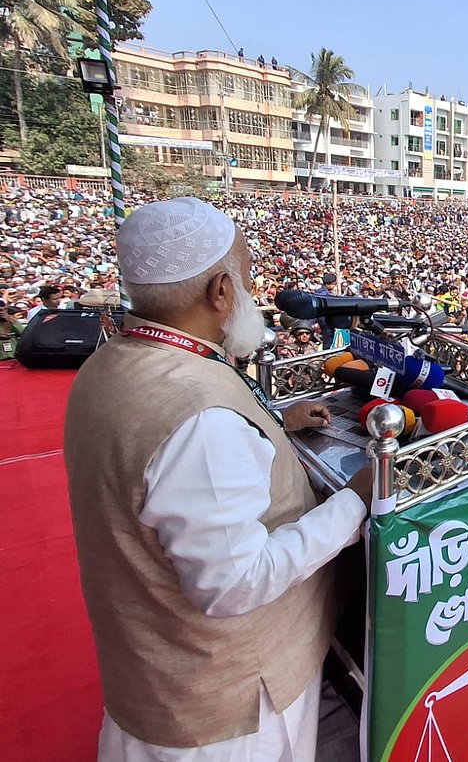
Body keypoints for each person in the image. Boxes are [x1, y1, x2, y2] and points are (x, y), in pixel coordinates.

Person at [62, 198, 372, 760]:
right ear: (220, 293)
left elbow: (167, 463)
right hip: (228, 718)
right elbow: (233, 583)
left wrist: (273, 425)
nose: (251, 293)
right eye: (247, 279)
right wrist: (355, 502)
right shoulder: (200, 418)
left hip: (155, 674)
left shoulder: (109, 364)